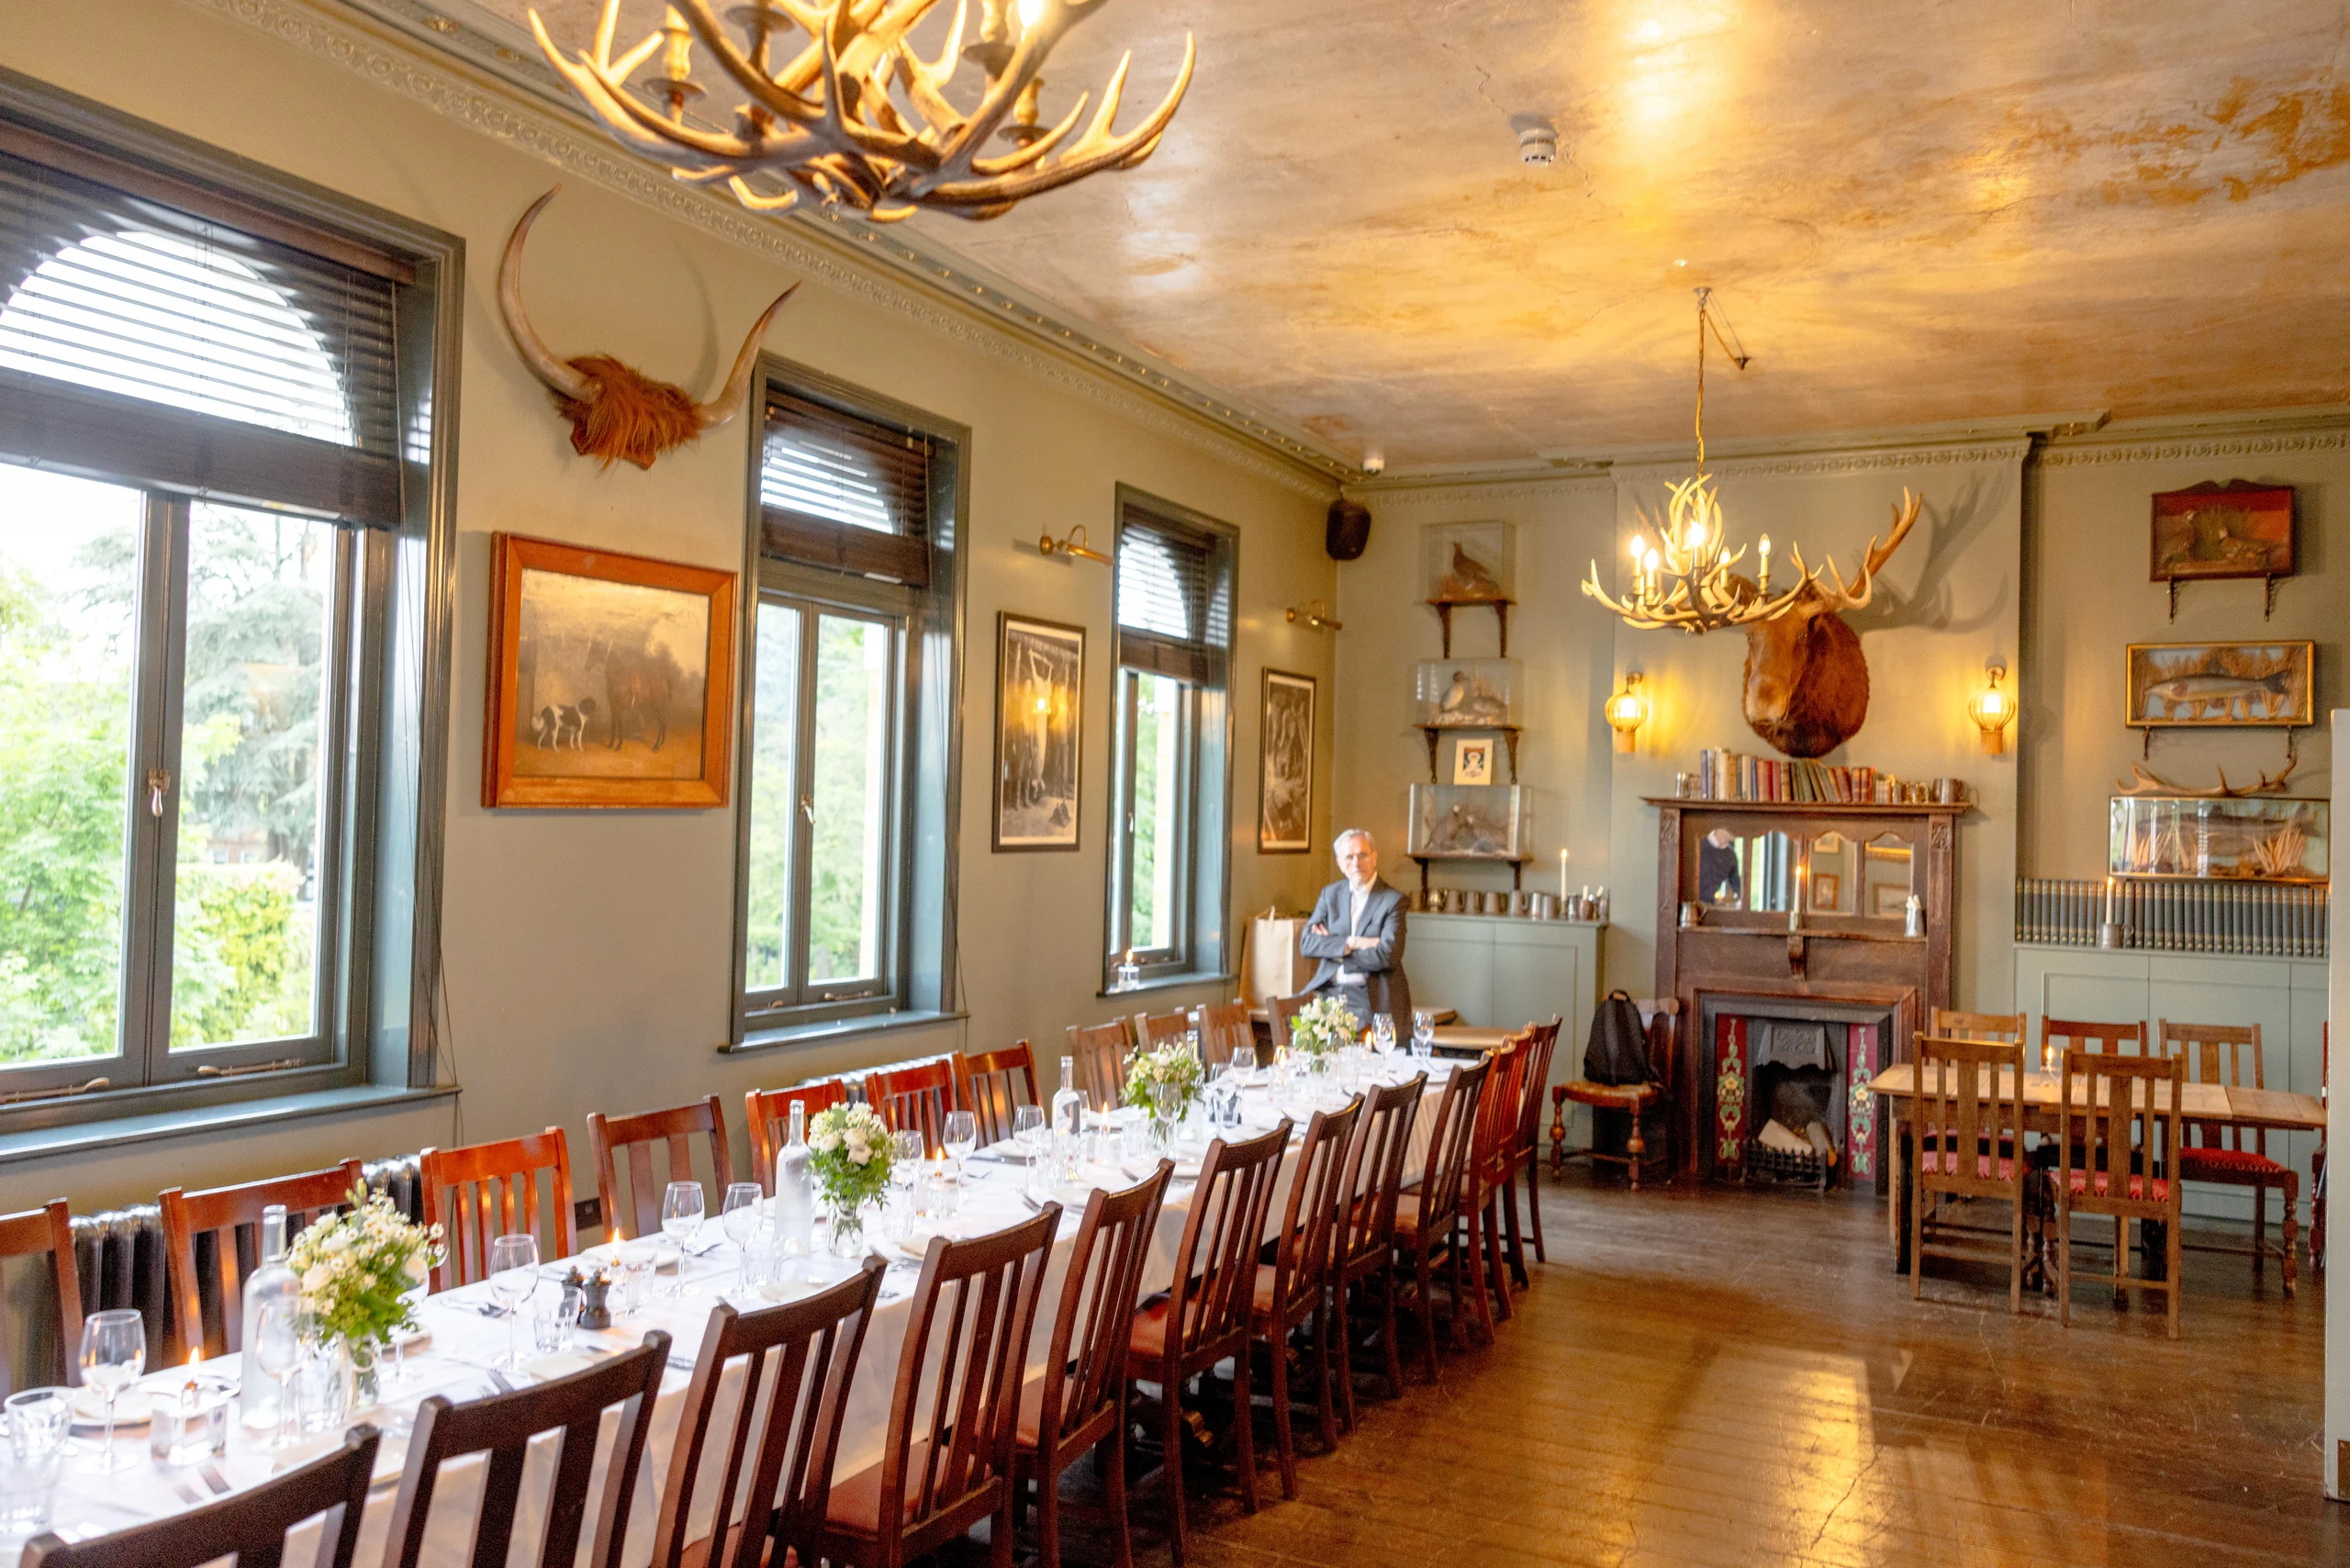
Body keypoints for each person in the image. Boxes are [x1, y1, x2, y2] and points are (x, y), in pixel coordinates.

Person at [1297, 828, 1413, 1041]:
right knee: (1303, 1041)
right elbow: (1307, 943)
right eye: (1349, 857)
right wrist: (1352, 943)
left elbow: (1387, 955)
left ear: (1374, 857)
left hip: (1369, 998)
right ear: (1340, 863)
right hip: (1328, 994)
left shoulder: (1393, 900)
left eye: (1362, 855)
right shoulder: (1329, 895)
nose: (1356, 863)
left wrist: (1334, 949)